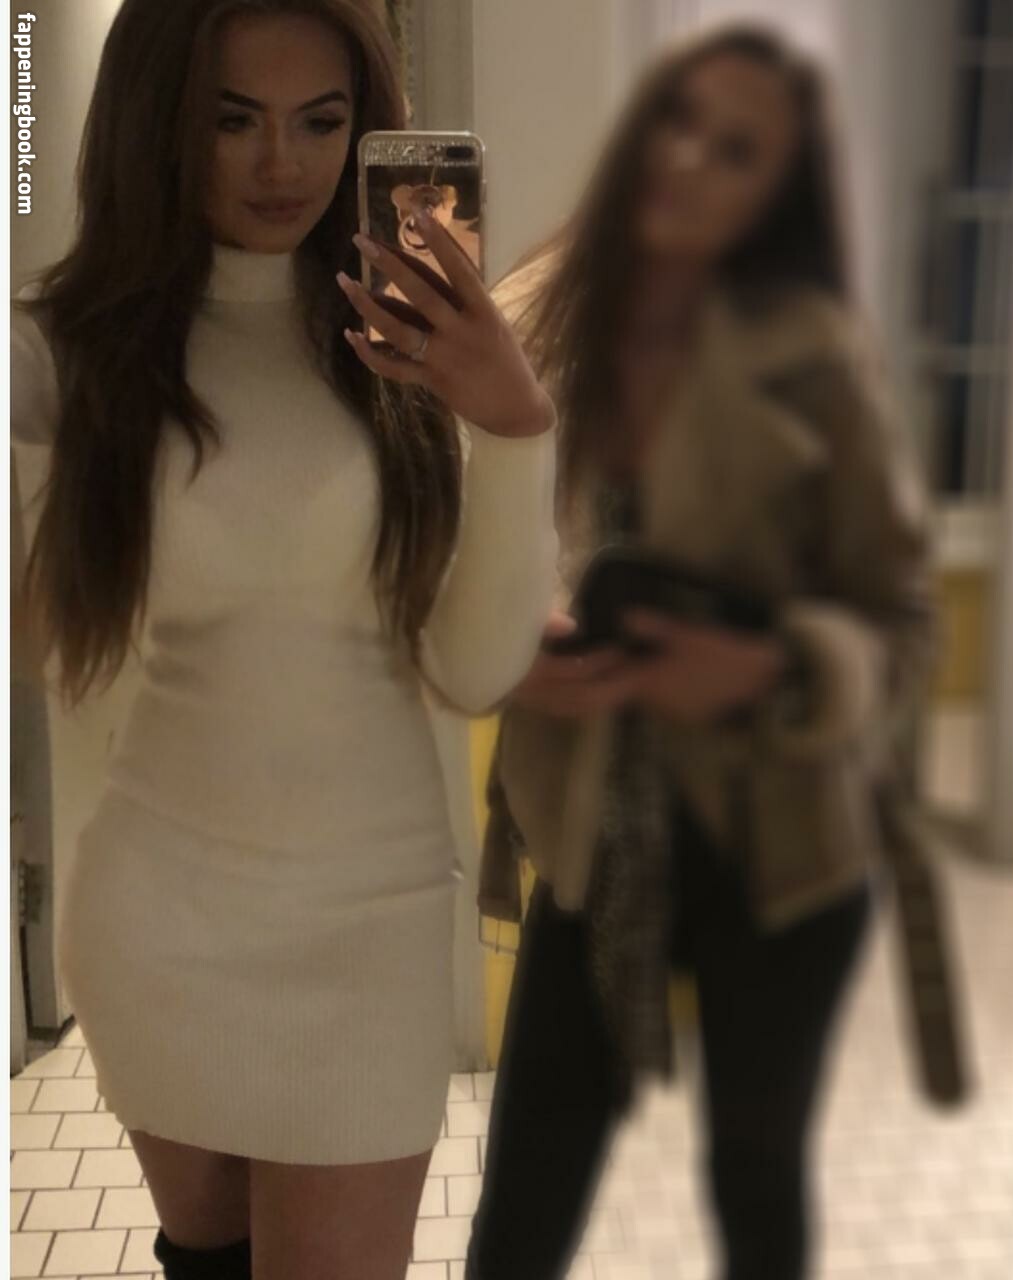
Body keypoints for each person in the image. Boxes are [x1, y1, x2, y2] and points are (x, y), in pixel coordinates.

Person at [9, 2, 556, 1278]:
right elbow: (41, 647)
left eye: (321, 122)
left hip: (369, 921)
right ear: (157, 123)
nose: (281, 165)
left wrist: (513, 430)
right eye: (232, 120)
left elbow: (473, 669)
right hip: (158, 910)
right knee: (203, 1262)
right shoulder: (67, 349)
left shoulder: (404, 341)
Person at [466, 24, 935, 1280]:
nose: (685, 160)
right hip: (594, 819)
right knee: (527, 1185)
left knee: (755, 1178)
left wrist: (774, 668)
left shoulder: (816, 361)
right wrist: (510, 647)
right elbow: (444, 537)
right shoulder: (532, 310)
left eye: (735, 151)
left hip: (778, 832)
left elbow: (898, 621)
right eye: (675, 122)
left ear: (775, 191)